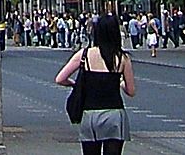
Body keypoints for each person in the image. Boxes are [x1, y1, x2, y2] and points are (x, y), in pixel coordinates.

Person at [56, 11, 136, 155]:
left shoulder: (84, 55)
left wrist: (74, 84)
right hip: (114, 114)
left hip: (89, 115)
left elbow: (60, 78)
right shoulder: (122, 58)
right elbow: (131, 91)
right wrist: (121, 84)